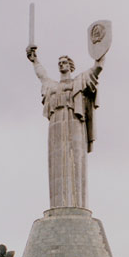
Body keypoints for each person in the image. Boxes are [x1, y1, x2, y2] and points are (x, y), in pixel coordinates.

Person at [26, 46, 105, 209]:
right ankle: (58, 207)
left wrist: (101, 52)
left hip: (75, 123)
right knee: (56, 164)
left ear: (70, 66)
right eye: (59, 63)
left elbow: (97, 69)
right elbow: (42, 76)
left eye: (64, 63)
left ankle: (77, 206)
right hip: (55, 126)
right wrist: (35, 61)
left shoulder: (79, 81)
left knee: (75, 161)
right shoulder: (52, 86)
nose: (61, 65)